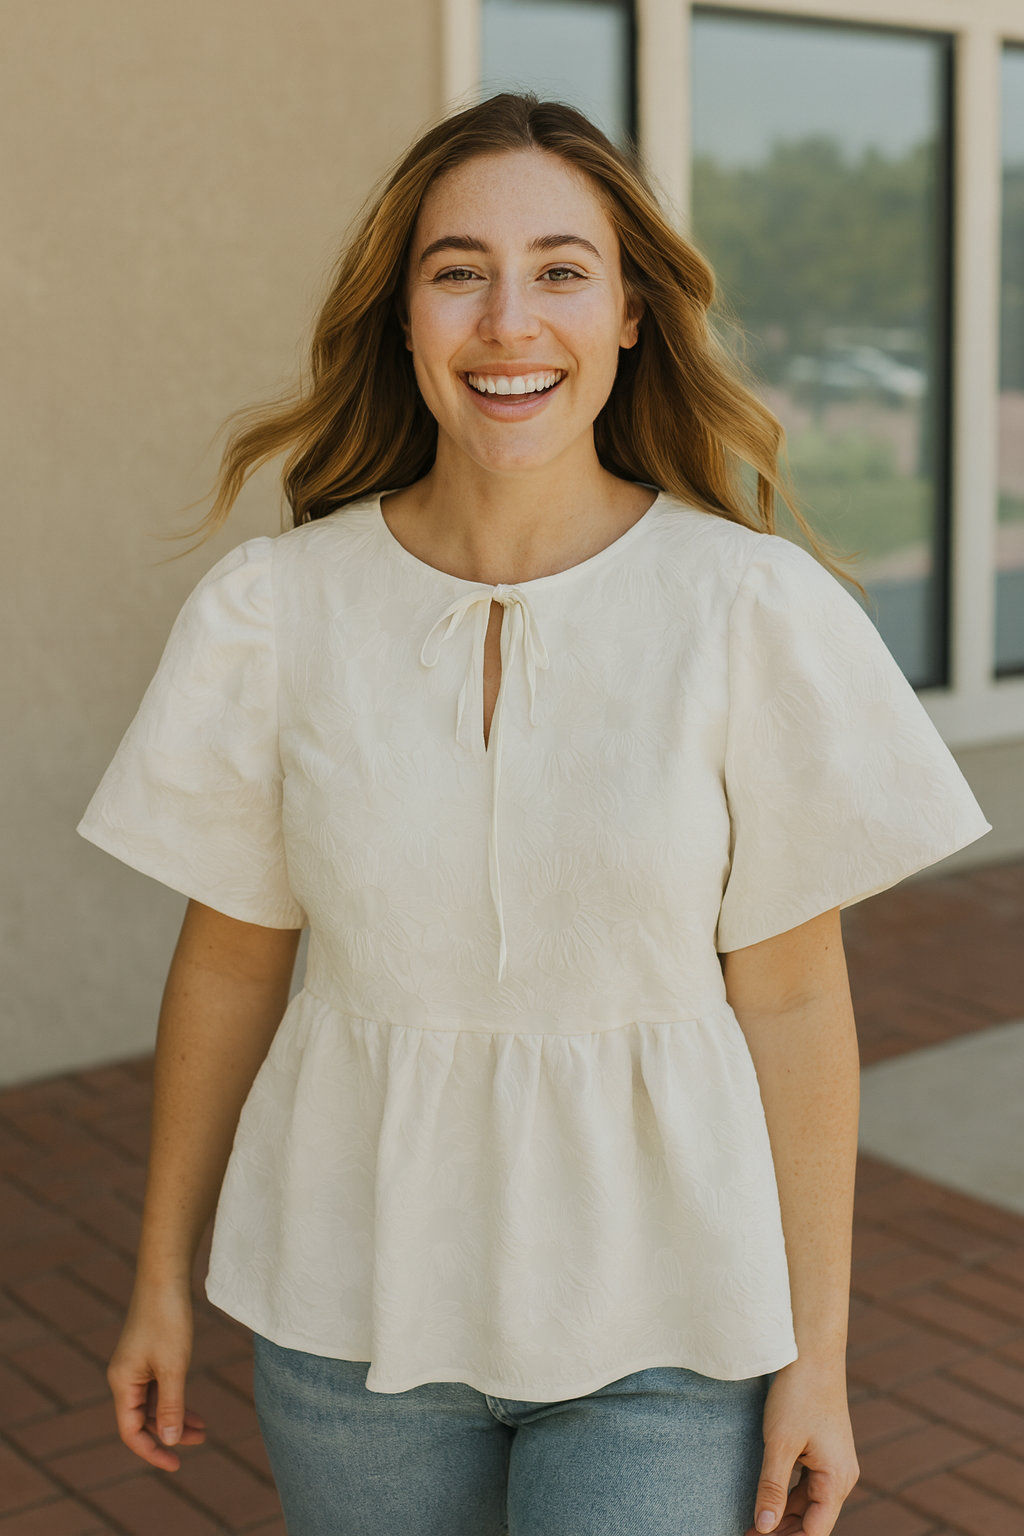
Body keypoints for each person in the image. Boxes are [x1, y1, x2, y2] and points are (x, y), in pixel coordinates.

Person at [79, 94, 989, 1536]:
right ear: (403, 315)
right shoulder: (276, 611)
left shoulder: (746, 609)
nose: (511, 320)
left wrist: (818, 1358)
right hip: (345, 1297)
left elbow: (800, 1005)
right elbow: (234, 960)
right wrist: (156, 1282)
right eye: (460, 271)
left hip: (671, 1320)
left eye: (563, 270)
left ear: (631, 315)